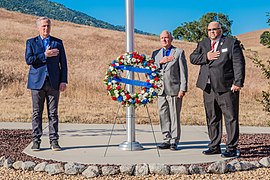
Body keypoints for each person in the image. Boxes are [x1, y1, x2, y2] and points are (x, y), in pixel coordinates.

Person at [190, 21, 245, 158]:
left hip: (226, 87)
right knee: (212, 118)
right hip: (208, 88)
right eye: (209, 30)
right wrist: (206, 57)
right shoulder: (203, 43)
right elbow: (193, 58)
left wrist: (238, 82)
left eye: (215, 29)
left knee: (230, 118)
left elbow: (239, 63)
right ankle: (214, 146)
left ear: (221, 30)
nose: (212, 32)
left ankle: (231, 147)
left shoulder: (231, 43)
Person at [25, 17, 68, 151]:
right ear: (38, 27)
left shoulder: (58, 43)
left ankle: (54, 141)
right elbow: (29, 59)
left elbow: (64, 64)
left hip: (54, 83)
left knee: (53, 113)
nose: (46, 28)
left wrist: (63, 80)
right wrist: (45, 55)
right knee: (37, 113)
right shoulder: (31, 42)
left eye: (48, 26)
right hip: (37, 82)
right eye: (43, 26)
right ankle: (36, 141)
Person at [152, 30, 188, 151]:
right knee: (163, 115)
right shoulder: (156, 54)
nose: (164, 40)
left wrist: (183, 89)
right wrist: (160, 62)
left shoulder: (178, 52)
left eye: (166, 37)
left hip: (174, 90)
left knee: (174, 116)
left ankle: (174, 140)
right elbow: (151, 70)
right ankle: (166, 139)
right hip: (160, 90)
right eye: (162, 38)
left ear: (171, 39)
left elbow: (183, 73)